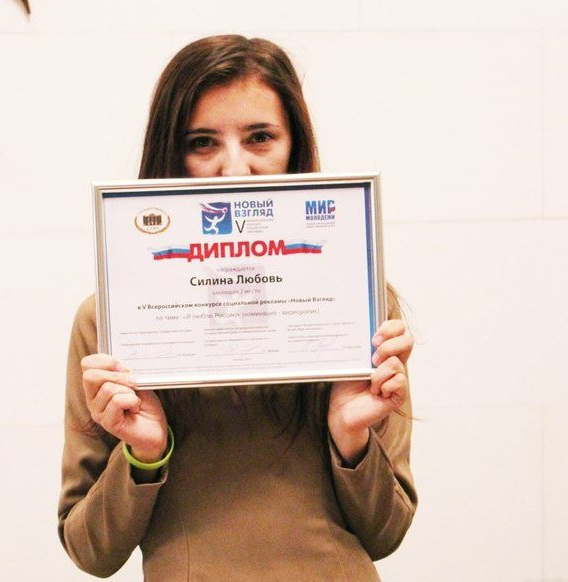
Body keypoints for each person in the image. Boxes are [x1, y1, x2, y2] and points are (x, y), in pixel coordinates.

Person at [58, 35, 417, 581]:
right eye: (202, 142)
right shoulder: (109, 323)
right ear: (171, 153)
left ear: (294, 146)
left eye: (260, 138)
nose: (235, 169)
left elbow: (387, 534)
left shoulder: (359, 303)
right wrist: (144, 454)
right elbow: (90, 552)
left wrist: (351, 437)